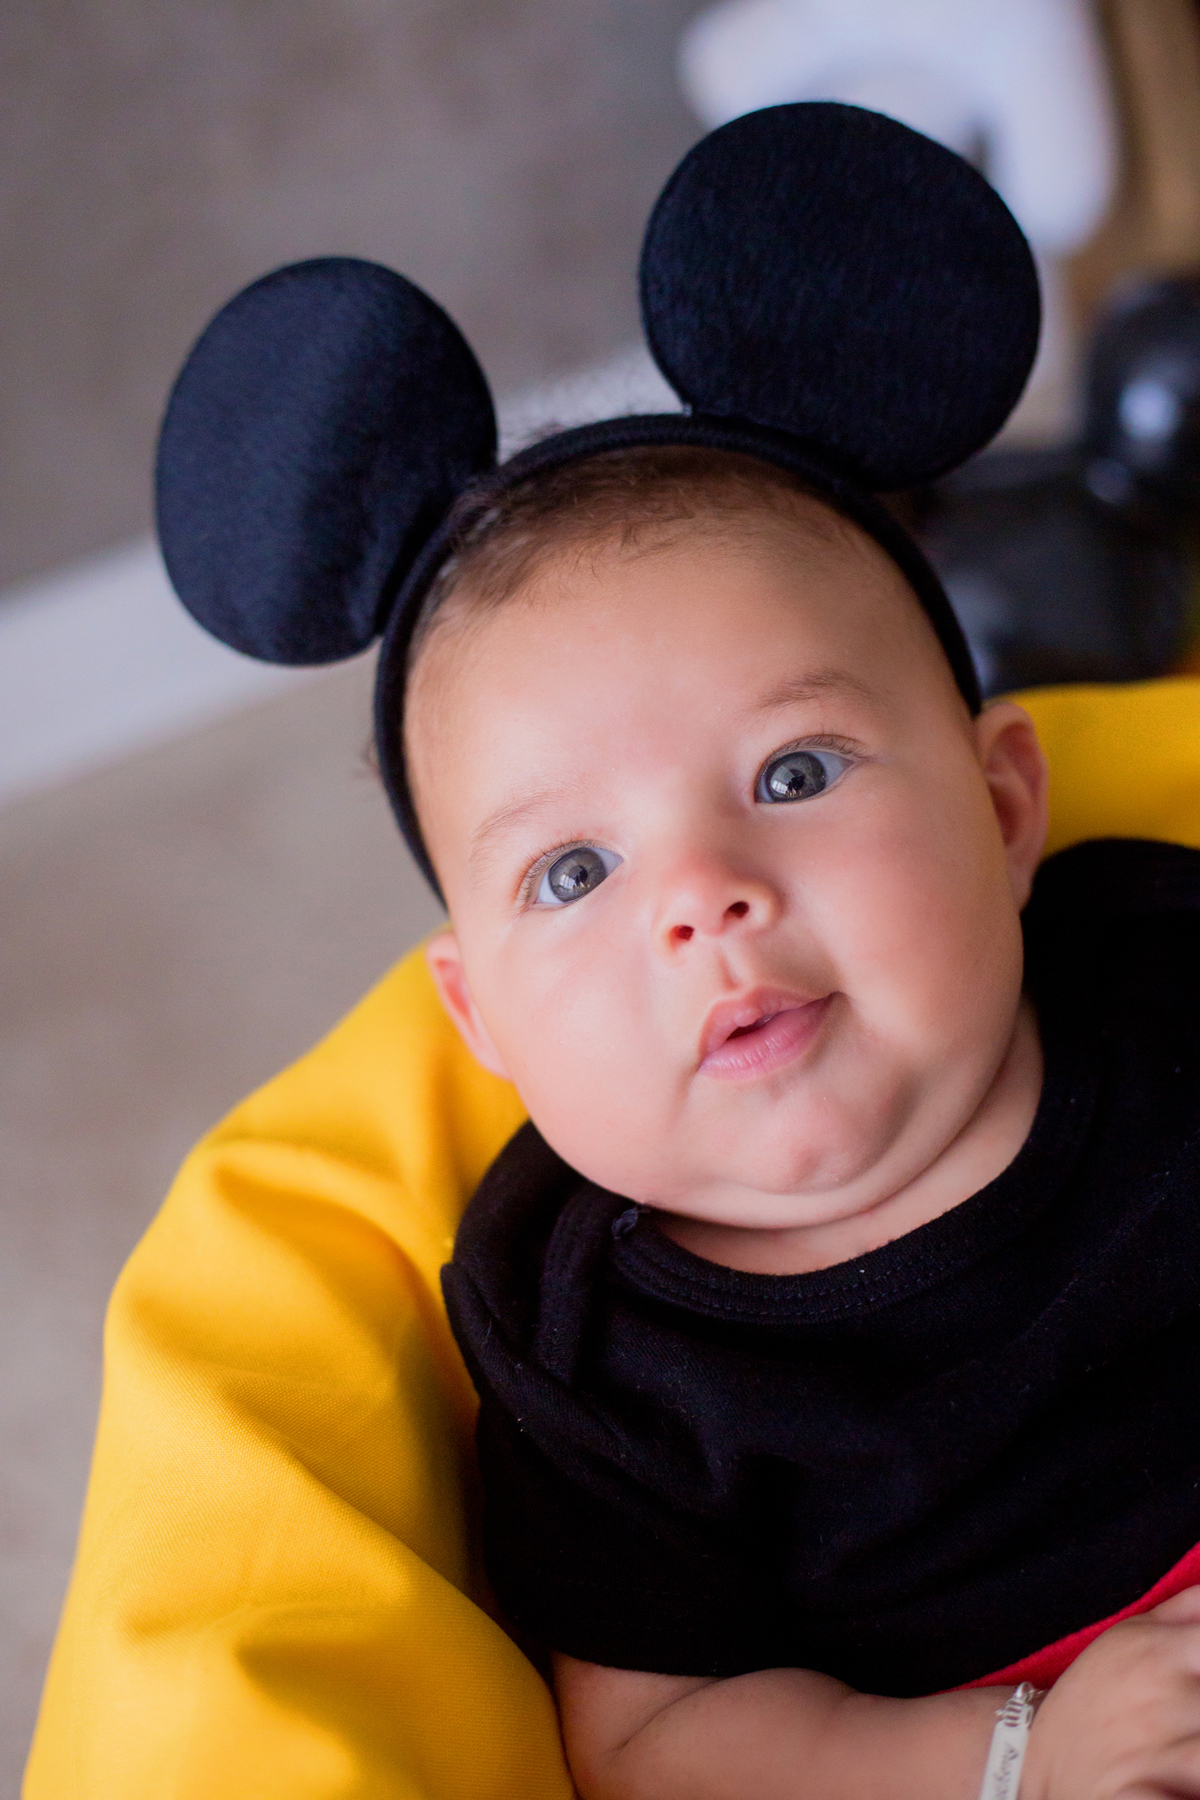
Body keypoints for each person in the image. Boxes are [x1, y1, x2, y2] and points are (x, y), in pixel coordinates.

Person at [139, 102, 1200, 1800]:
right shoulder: (591, 1345)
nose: (700, 896)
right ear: (481, 1021)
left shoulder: (1154, 965)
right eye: (572, 871)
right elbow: (656, 1743)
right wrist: (1020, 1755)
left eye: (792, 773)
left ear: (1005, 810)